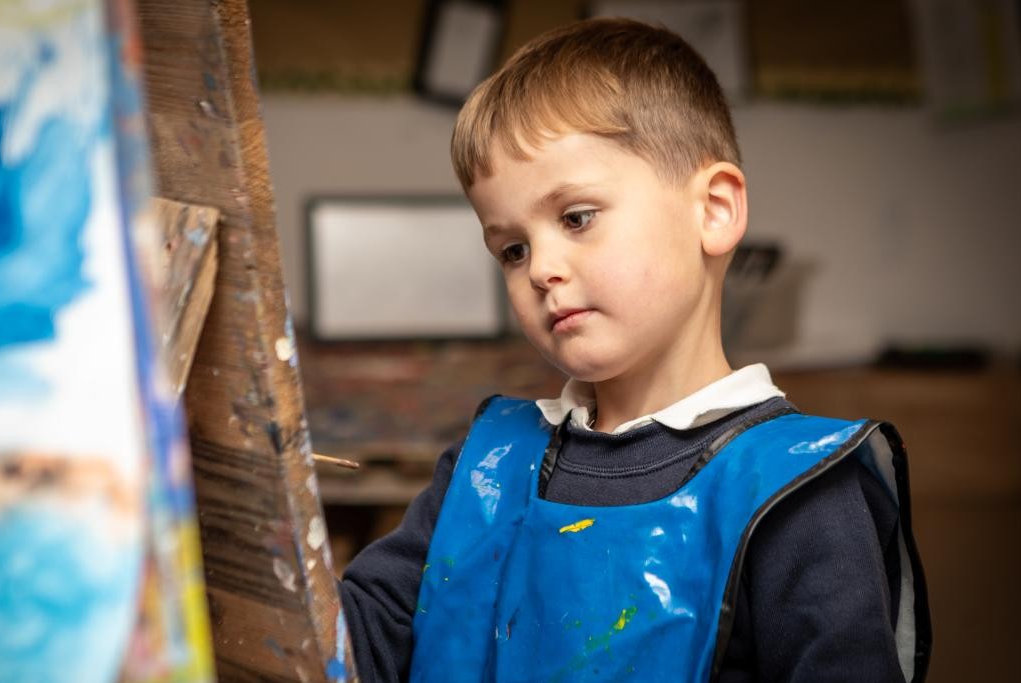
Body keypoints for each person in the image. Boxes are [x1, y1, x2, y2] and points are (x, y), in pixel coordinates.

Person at [339, 17, 930, 683]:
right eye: (512, 248)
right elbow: (351, 636)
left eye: (576, 218)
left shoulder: (797, 490)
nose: (540, 269)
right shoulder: (485, 462)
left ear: (714, 210)